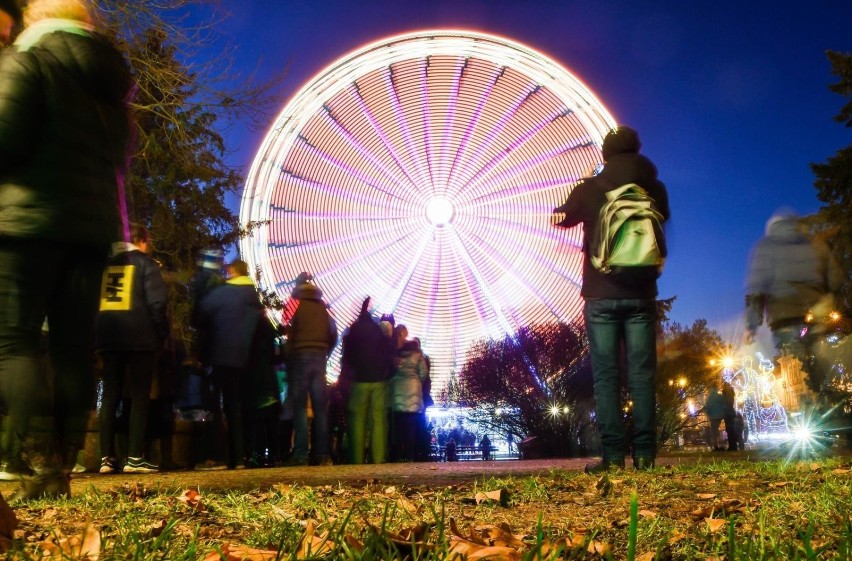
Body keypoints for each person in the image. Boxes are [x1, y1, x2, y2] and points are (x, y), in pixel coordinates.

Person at [0, 0, 134, 501]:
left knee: (12, 343)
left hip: (26, 223)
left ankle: (23, 455)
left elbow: (6, 138)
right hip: (92, 232)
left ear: (36, 16)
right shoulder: (112, 86)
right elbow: (120, 162)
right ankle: (62, 464)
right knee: (75, 351)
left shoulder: (27, 60)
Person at [553, 125, 670, 472]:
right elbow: (663, 222)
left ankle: (614, 457)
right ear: (637, 150)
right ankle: (647, 456)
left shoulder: (593, 188)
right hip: (642, 294)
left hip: (600, 294)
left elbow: (560, 217)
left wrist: (583, 183)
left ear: (605, 155)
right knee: (642, 375)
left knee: (605, 377)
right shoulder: (655, 186)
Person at [95, 223, 169, 474]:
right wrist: (161, 335)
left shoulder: (104, 264)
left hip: (108, 338)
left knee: (110, 396)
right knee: (139, 397)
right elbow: (157, 303)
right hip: (140, 338)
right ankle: (135, 457)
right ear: (142, 242)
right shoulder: (146, 264)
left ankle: (106, 457)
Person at [743, 208, 843, 360]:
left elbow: (756, 289)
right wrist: (827, 297)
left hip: (783, 319)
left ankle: (808, 379)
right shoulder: (815, 243)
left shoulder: (766, 246)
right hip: (816, 314)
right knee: (823, 358)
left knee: (796, 366)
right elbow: (835, 279)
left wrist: (751, 326)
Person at [196, 259, 264, 470]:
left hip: (220, 354)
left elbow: (200, 314)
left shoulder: (222, 293)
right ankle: (239, 457)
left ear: (232, 271)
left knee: (214, 407)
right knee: (236, 408)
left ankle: (218, 456)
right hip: (245, 360)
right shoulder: (254, 298)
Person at [284, 273, 338, 466]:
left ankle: (300, 454)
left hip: (300, 356)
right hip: (319, 357)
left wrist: (288, 353)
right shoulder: (323, 308)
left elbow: (284, 325)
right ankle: (323, 454)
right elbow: (334, 333)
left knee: (299, 407)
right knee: (320, 409)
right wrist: (326, 352)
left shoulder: (294, 303)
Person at [341, 297, 393, 464]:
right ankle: (378, 458)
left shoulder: (354, 330)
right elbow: (386, 352)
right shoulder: (378, 330)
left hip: (360, 379)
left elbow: (347, 356)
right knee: (378, 419)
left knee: (358, 418)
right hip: (378, 379)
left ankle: (357, 459)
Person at [388, 325, 427, 462]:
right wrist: (417, 383)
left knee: (399, 426)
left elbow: (389, 372)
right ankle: (410, 455)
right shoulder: (417, 353)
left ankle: (399, 455)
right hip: (414, 390)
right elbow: (423, 373)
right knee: (411, 426)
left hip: (397, 390)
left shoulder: (394, 354)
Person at [703, 383, 726, 451]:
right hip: (719, 415)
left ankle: (715, 446)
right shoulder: (718, 396)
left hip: (713, 416)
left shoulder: (709, 397)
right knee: (716, 430)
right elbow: (723, 402)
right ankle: (718, 445)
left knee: (714, 431)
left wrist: (708, 414)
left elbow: (708, 407)